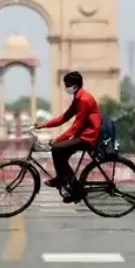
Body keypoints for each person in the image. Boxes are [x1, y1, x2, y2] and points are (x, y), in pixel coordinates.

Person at [34, 71, 102, 203]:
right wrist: (44, 125)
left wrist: (58, 139)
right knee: (60, 153)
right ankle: (69, 184)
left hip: (88, 137)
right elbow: (64, 117)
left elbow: (76, 127)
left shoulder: (84, 100)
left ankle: (69, 185)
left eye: (67, 84)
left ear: (75, 86)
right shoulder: (78, 97)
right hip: (82, 135)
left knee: (57, 148)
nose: (66, 87)